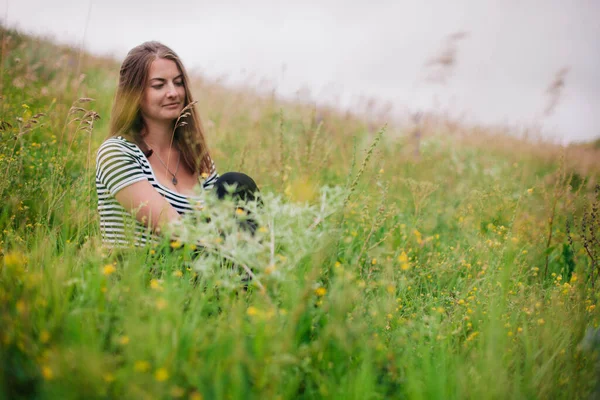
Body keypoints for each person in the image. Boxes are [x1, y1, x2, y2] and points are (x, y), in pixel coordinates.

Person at [96, 41, 259, 249]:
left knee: (237, 185)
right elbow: (173, 230)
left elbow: (222, 228)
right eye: (158, 85)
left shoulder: (198, 158)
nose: (173, 92)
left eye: (178, 82)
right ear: (134, 94)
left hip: (198, 268)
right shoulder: (117, 153)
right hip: (144, 273)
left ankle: (251, 274)